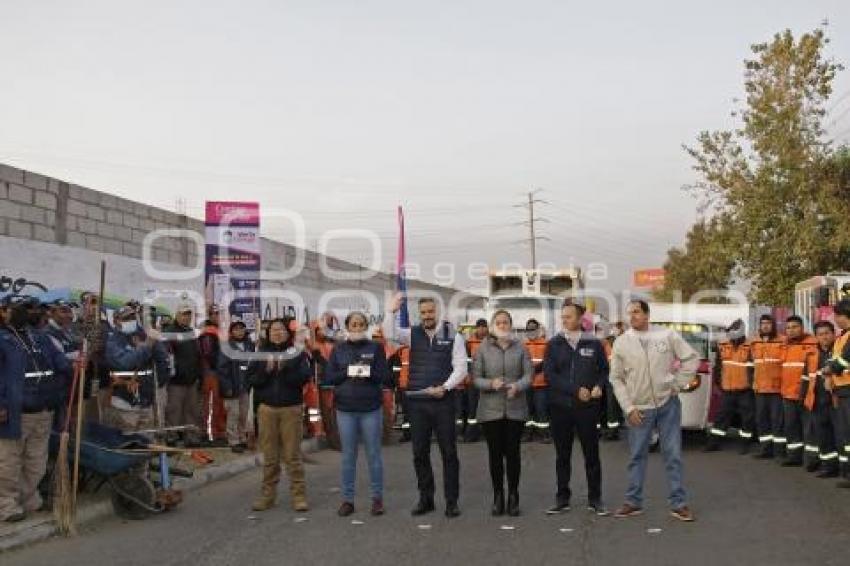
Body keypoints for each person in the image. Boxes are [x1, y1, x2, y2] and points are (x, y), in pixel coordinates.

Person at [610, 300, 698, 522]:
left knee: (673, 455)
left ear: (648, 314)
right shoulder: (621, 342)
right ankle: (633, 502)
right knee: (637, 456)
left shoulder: (667, 336)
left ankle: (679, 504)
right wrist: (628, 407)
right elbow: (616, 378)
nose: (633, 317)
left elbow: (691, 358)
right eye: (630, 313)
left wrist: (677, 384)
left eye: (637, 312)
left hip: (667, 405)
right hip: (639, 408)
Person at [385, 294, 466, 518]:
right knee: (419, 453)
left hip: (443, 403)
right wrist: (391, 310)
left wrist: (446, 387)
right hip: (418, 403)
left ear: (437, 311)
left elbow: (461, 368)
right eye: (423, 313)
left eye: (430, 312)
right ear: (418, 314)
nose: (427, 316)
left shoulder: (453, 336)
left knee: (449, 453)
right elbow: (388, 333)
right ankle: (426, 499)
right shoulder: (412, 334)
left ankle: (451, 502)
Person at [0, 296, 71, 522]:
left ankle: (29, 499)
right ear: (6, 311)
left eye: (32, 309)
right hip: (14, 412)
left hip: (43, 411)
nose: (30, 312)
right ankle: (6, 505)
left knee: (36, 461)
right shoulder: (2, 339)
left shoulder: (41, 337)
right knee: (9, 461)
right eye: (23, 309)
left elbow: (60, 364)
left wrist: (75, 363)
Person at [543, 303, 609, 515]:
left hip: (587, 409)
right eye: (563, 317)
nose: (565, 320)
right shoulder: (554, 344)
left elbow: (604, 371)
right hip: (560, 407)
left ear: (581, 319)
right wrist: (575, 390)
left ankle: (595, 499)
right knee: (562, 456)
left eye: (569, 317)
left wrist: (599, 386)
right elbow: (550, 376)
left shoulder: (594, 343)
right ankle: (562, 498)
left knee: (591, 455)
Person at [323, 312, 390, 517]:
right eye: (354, 324)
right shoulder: (338, 349)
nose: (358, 327)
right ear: (347, 327)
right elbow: (329, 377)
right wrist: (348, 371)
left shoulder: (375, 348)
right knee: (348, 457)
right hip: (345, 409)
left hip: (371, 408)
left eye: (361, 324)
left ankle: (377, 499)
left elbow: (385, 377)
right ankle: (347, 500)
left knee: (373, 456)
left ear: (366, 327)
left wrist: (367, 372)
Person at [472, 310, 532, 516]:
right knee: (495, 456)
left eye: (506, 322)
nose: (502, 325)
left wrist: (518, 386)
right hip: (491, 411)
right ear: (492, 326)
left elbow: (529, 375)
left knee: (513, 455)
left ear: (511, 324)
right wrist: (491, 383)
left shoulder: (521, 348)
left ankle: (514, 496)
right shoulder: (482, 349)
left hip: (515, 410)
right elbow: (476, 378)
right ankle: (498, 496)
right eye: (498, 322)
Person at [247, 317, 312, 512]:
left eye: (281, 330)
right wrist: (266, 371)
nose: (277, 333)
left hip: (290, 409)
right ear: (268, 334)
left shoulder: (297, 354)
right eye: (273, 330)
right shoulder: (260, 354)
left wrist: (285, 369)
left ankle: (299, 495)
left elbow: (303, 378)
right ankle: (268, 495)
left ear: (287, 333)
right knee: (270, 456)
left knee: (292, 455)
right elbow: (251, 380)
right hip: (267, 409)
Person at [104, 306, 169, 435]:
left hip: (146, 398)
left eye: (133, 317)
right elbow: (125, 363)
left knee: (147, 440)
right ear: (116, 321)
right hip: (125, 400)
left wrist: (154, 341)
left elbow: (162, 358)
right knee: (128, 439)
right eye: (126, 318)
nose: (131, 320)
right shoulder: (113, 342)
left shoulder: (143, 335)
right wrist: (146, 346)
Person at [705, 320, 756, 454]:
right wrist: (719, 383)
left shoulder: (751, 346)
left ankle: (745, 444)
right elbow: (718, 365)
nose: (731, 336)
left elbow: (755, 368)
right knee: (721, 417)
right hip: (727, 389)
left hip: (745, 390)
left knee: (747, 418)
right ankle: (714, 442)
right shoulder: (723, 345)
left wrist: (752, 386)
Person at [779, 316, 818, 467]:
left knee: (810, 429)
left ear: (802, 327)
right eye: (788, 328)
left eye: (795, 327)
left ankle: (812, 460)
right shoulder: (784, 345)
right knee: (791, 427)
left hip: (808, 394)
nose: (791, 330)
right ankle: (794, 457)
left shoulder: (813, 343)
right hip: (788, 394)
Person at [806, 321, 841, 478]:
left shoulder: (840, 350)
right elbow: (806, 377)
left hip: (838, 401)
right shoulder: (812, 353)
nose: (824, 337)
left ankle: (845, 469)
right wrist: (803, 398)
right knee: (823, 436)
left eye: (827, 333)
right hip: (818, 401)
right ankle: (829, 467)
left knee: (841, 436)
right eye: (820, 334)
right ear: (816, 337)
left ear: (833, 333)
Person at [164, 304, 202, 446]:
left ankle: (190, 437)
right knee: (174, 411)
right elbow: (166, 355)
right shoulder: (169, 331)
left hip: (192, 380)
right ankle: (171, 437)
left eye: (188, 314)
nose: (186, 317)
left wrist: (199, 376)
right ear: (177, 315)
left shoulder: (192, 332)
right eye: (183, 314)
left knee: (192, 411)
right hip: (175, 382)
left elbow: (197, 356)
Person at [750, 315, 786, 459]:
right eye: (763, 323)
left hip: (777, 389)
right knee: (762, 420)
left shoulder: (782, 341)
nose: (765, 326)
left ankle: (779, 451)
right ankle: (765, 450)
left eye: (768, 323)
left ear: (774, 325)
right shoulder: (754, 342)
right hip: (760, 388)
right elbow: (752, 364)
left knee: (777, 421)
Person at [824, 298, 850, 488]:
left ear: (843, 316)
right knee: (845, 434)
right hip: (841, 390)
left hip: (848, 390)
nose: (835, 319)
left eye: (836, 315)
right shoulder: (842, 336)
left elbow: (843, 362)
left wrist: (829, 370)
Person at [218, 320, 253, 453]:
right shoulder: (227, 346)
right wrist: (226, 386)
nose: (239, 331)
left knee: (243, 414)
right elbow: (222, 369)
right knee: (233, 414)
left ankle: (242, 437)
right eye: (236, 329)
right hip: (232, 386)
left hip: (245, 386)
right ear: (231, 331)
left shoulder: (249, 345)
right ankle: (233, 440)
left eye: (242, 329)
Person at [199, 305, 226, 445]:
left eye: (219, 313)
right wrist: (220, 367)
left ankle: (220, 433)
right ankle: (209, 434)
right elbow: (208, 353)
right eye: (215, 314)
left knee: (220, 405)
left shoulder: (221, 331)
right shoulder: (208, 332)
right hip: (211, 373)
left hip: (221, 373)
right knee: (211, 404)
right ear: (210, 315)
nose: (218, 316)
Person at [524, 319, 551, 443]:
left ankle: (545, 434)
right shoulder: (522, 345)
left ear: (538, 329)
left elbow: (550, 362)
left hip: (541, 383)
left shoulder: (546, 344)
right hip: (527, 383)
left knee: (541, 410)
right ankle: (527, 434)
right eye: (529, 329)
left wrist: (539, 367)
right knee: (527, 410)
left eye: (533, 328)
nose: (531, 331)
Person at [461, 319, 488, 443]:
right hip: (473, 382)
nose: (482, 330)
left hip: (488, 382)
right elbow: (466, 362)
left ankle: (489, 434)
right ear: (476, 328)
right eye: (480, 327)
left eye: (484, 327)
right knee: (473, 409)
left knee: (488, 408)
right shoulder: (469, 343)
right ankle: (472, 434)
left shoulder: (492, 342)